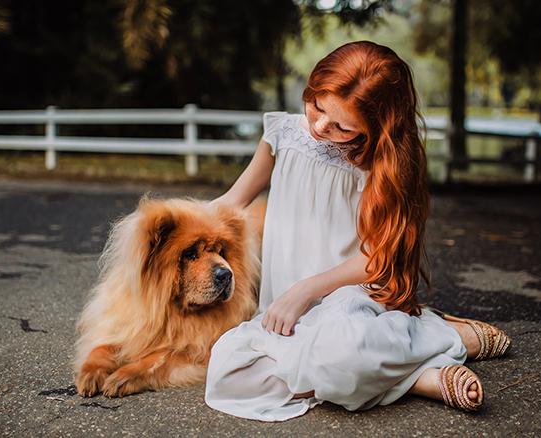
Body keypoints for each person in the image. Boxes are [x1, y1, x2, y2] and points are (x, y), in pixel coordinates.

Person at [205, 41, 510, 422]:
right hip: (285, 308)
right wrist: (174, 219)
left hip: (346, 297)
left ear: (376, 127)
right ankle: (408, 370)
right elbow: (233, 200)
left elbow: (379, 257)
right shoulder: (282, 133)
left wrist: (307, 289)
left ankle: (434, 351)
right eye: (316, 106)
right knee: (227, 373)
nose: (319, 127)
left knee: (339, 353)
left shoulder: (382, 164)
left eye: (342, 126)